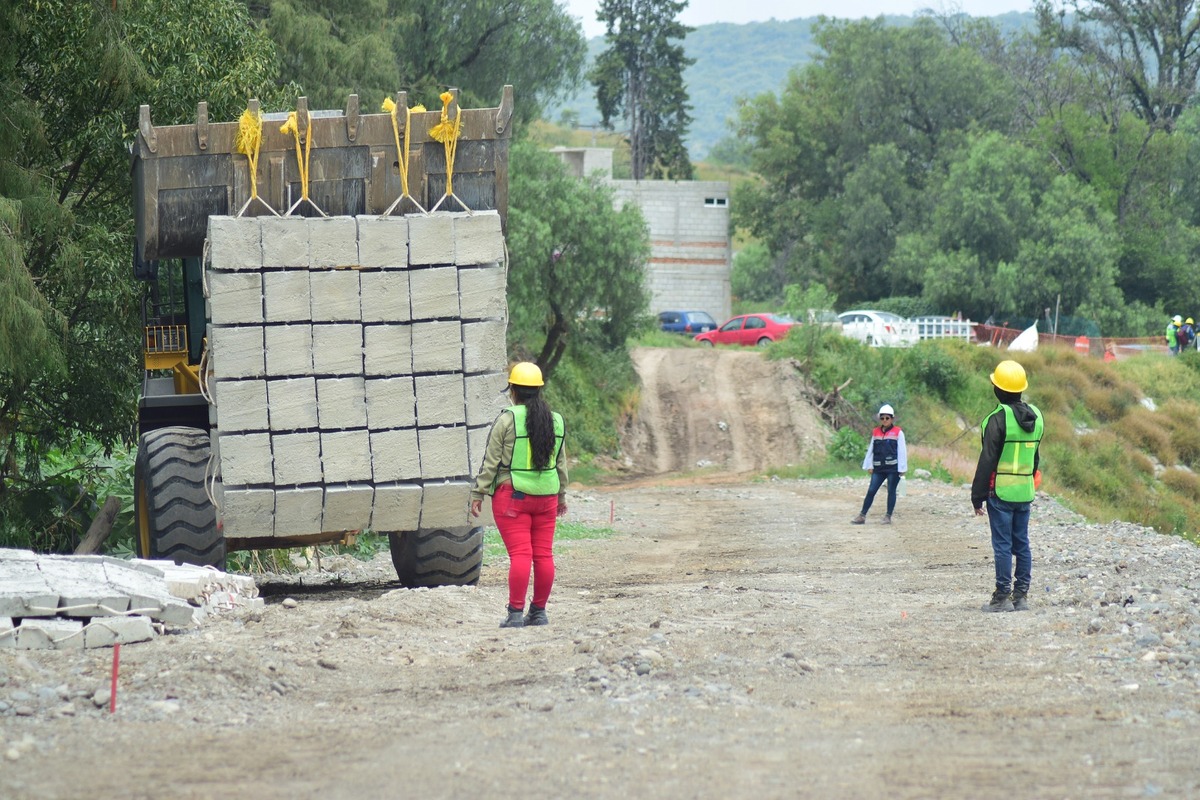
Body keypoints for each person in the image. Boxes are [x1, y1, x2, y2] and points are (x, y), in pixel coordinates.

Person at [470, 362, 568, 628]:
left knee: (521, 555)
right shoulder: (556, 420)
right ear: (539, 390)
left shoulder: (506, 419)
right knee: (543, 555)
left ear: (512, 390)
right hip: (547, 496)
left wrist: (479, 492)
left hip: (513, 497)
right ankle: (538, 613)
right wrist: (561, 496)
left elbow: (490, 462)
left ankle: (515, 614)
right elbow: (560, 464)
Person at [971, 360, 1044, 613]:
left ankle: (1002, 597)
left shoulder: (997, 419)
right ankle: (1020, 597)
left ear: (997, 389)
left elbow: (987, 460)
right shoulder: (1037, 416)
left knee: (1002, 545)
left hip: (1000, 491)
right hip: (1024, 491)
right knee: (1021, 543)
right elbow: (1035, 457)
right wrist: (1028, 480)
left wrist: (977, 495)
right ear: (1021, 388)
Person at [851, 404, 907, 525]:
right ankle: (862, 515)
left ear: (892, 419)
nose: (885, 420)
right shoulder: (875, 432)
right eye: (882, 418)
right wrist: (869, 465)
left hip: (893, 468)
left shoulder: (898, 432)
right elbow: (871, 449)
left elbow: (902, 451)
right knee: (871, 490)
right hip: (878, 467)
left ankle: (888, 516)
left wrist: (902, 468)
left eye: (887, 418)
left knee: (891, 491)